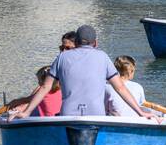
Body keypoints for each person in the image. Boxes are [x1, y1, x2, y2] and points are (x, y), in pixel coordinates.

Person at [9, 25, 154, 120]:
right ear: (95, 43)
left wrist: (27, 112)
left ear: (76, 42)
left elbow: (45, 87)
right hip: (95, 117)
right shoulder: (103, 57)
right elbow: (120, 88)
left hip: (68, 115)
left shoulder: (62, 57)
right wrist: (140, 112)